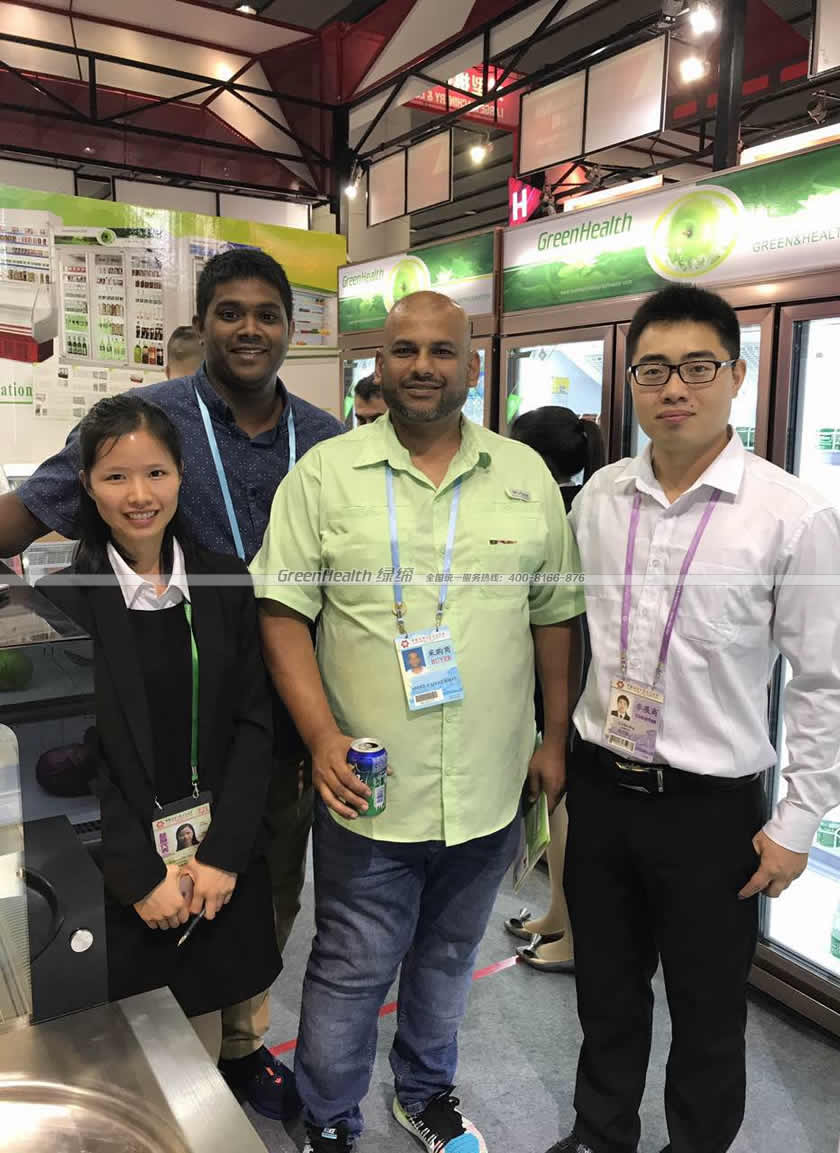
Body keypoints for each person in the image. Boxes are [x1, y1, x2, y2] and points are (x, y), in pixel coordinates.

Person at [0, 248, 344, 1117]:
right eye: (230, 311)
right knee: (140, 908)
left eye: (267, 313)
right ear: (202, 321)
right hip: (153, 694)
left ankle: (241, 1046)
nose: (249, 329)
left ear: (290, 328)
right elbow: (34, 508)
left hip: (281, 705)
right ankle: (147, 1062)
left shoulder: (326, 439)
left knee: (264, 885)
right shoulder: (152, 419)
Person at [251, 290, 583, 1153]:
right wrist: (321, 736)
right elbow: (282, 612)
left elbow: (553, 614)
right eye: (404, 350)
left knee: (446, 955)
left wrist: (552, 737)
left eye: (442, 351)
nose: (423, 366)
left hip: (488, 780)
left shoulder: (522, 476)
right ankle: (329, 1115)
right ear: (380, 364)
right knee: (352, 961)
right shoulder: (324, 475)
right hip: (369, 780)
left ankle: (426, 1092)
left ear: (473, 366)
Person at [547, 284, 840, 1153]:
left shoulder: (790, 515)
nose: (673, 387)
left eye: (696, 367)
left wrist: (796, 823)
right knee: (605, 991)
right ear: (631, 380)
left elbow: (822, 683)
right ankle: (599, 1133)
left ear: (736, 376)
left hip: (711, 812)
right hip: (602, 791)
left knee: (709, 1012)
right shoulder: (599, 498)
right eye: (652, 369)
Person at [39, 394, 281, 1063]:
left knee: (200, 1051)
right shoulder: (63, 603)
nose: (139, 495)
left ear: (181, 475)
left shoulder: (225, 582)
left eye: (156, 473)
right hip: (119, 875)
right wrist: (138, 876)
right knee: (122, 1055)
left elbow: (254, 726)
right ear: (87, 484)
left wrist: (222, 855)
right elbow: (75, 760)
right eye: (116, 476)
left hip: (214, 866)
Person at [506, 408, 605, 974]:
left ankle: (571, 931)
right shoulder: (582, 503)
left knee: (561, 804)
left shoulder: (561, 513)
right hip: (569, 669)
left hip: (563, 672)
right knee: (555, 806)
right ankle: (556, 914)